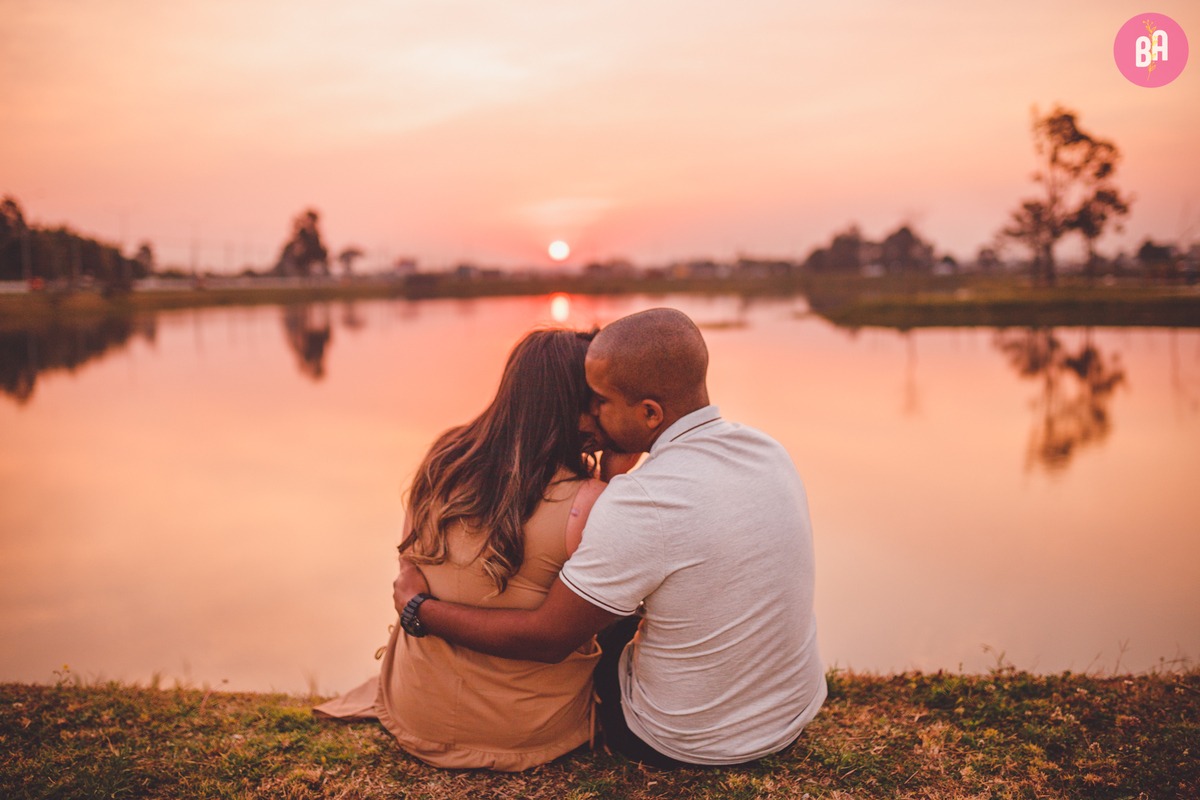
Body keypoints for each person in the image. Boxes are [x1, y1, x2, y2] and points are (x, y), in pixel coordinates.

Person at [394, 307, 826, 769]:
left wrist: (420, 610)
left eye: (600, 400)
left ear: (649, 412)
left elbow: (548, 640)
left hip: (682, 744)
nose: (592, 417)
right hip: (791, 717)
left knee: (602, 615)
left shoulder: (638, 502)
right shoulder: (767, 450)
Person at [316, 328, 614, 771]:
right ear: (577, 402)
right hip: (526, 731)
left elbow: (410, 557)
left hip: (420, 712)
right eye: (601, 398)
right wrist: (617, 474)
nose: (607, 408)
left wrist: (417, 605)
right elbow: (593, 621)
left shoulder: (446, 454)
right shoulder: (588, 501)